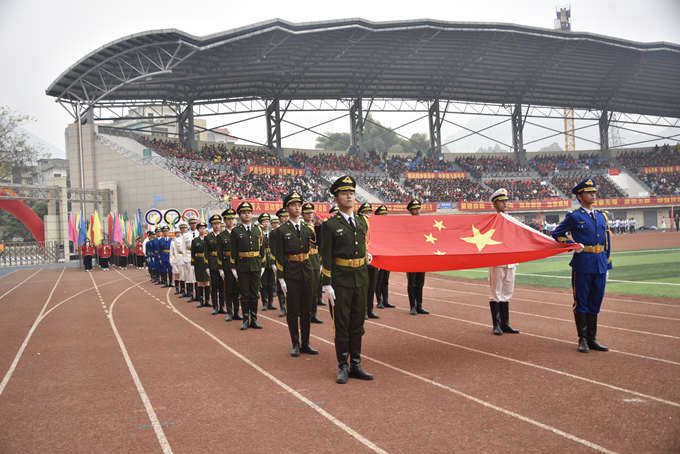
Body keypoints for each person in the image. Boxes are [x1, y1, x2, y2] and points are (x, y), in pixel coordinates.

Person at [320, 175, 373, 384]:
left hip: (360, 278)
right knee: (341, 324)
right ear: (336, 198)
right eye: (344, 193)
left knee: (357, 323)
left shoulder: (362, 221)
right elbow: (326, 255)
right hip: (340, 281)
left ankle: (356, 364)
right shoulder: (330, 225)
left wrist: (366, 255)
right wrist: (327, 283)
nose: (349, 196)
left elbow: (363, 244)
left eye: (351, 192)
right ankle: (343, 365)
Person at [552, 178, 612, 353]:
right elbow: (557, 233)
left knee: (596, 300)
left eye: (594, 192)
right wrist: (571, 245)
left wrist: (607, 263)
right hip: (583, 263)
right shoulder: (574, 216)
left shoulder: (602, 216)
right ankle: (583, 339)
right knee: (582, 301)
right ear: (580, 196)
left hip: (600, 263)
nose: (593, 195)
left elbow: (607, 241)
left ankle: (592, 339)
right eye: (589, 192)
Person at [271, 192, 319, 357]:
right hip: (291, 272)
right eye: (293, 205)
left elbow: (318, 242)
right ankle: (295, 343)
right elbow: (278, 256)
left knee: (306, 309)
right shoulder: (281, 231)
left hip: (306, 269)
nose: (297, 208)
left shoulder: (307, 229)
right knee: (293, 310)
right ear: (287, 208)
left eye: (299, 205)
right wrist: (281, 278)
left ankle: (306, 343)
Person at [487, 189, 520, 336]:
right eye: (501, 201)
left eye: (506, 201)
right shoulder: (491, 221)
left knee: (507, 292)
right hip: (497, 261)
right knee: (496, 292)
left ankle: (505, 323)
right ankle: (496, 324)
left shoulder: (512, 220)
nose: (505, 203)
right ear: (495, 204)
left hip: (511, 260)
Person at [231, 201, 265, 330]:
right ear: (240, 215)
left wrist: (262, 265)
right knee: (244, 293)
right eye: (244, 212)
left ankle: (254, 319)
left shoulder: (258, 229)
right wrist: (234, 268)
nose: (247, 214)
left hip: (256, 265)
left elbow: (262, 249)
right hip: (242, 266)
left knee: (255, 293)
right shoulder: (235, 231)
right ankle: (245, 319)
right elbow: (233, 251)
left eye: (249, 212)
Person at [406, 199, 429, 315]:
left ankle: (419, 305)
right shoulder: (407, 224)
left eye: (418, 209)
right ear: (410, 211)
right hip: (411, 256)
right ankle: (412, 306)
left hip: (421, 256)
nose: (417, 211)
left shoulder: (424, 222)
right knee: (412, 282)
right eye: (414, 209)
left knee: (420, 282)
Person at [218, 208, 242, 321]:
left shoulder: (238, 233)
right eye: (228, 219)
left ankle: (237, 312)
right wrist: (220, 268)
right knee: (228, 289)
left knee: (237, 289)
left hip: (238, 264)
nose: (230, 221)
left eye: (232, 218)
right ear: (224, 220)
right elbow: (219, 253)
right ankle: (229, 312)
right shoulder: (221, 236)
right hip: (227, 265)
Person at [302, 202, 323, 324]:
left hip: (315, 260)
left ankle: (313, 314)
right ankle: (305, 313)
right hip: (305, 260)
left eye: (311, 213)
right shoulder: (301, 227)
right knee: (306, 290)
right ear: (303, 214)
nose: (310, 215)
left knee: (314, 290)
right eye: (307, 213)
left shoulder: (316, 227)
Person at [358, 202, 380, 319]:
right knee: (364, 287)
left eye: (369, 212)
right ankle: (364, 311)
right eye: (365, 212)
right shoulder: (359, 224)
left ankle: (370, 310)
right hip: (363, 259)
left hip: (374, 259)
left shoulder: (375, 225)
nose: (367, 214)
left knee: (372, 287)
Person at [373, 205, 395, 309]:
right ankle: (379, 300)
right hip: (378, 257)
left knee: (385, 280)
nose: (384, 216)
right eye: (382, 214)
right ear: (377, 215)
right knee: (379, 280)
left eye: (385, 214)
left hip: (387, 256)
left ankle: (386, 301)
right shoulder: (374, 227)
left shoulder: (389, 227)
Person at [271, 207, 290, 318]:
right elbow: (273, 249)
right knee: (280, 286)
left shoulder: (292, 230)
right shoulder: (275, 233)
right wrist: (274, 263)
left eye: (287, 216)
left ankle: (290, 306)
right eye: (283, 216)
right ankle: (283, 307)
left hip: (291, 262)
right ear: (279, 218)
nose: (285, 218)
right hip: (280, 262)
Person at [206, 214, 225, 315]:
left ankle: (222, 306)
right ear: (212, 225)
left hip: (223, 264)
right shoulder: (208, 237)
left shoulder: (224, 235)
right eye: (214, 224)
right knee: (214, 286)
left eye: (218, 223)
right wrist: (206, 266)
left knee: (222, 287)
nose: (217, 226)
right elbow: (206, 252)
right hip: (213, 263)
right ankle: (215, 306)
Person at [258, 213, 277, 311]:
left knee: (271, 283)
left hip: (271, 262)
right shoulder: (259, 234)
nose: (266, 224)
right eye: (264, 222)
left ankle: (270, 303)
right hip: (263, 263)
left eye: (267, 222)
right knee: (264, 284)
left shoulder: (272, 234)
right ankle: (264, 303)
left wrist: (274, 262)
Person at [191, 222, 211, 307]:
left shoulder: (209, 239)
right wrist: (193, 263)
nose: (202, 230)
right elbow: (193, 252)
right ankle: (201, 300)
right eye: (200, 228)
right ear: (198, 230)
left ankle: (207, 300)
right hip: (198, 262)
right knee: (199, 281)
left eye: (203, 228)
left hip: (207, 262)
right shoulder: (195, 240)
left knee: (207, 281)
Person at [170, 223, 188, 295]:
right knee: (177, 274)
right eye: (176, 233)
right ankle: (177, 288)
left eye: (179, 232)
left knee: (184, 275)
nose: (178, 234)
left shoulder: (184, 239)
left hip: (183, 258)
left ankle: (183, 289)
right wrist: (172, 260)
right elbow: (171, 252)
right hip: (176, 259)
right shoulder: (172, 242)